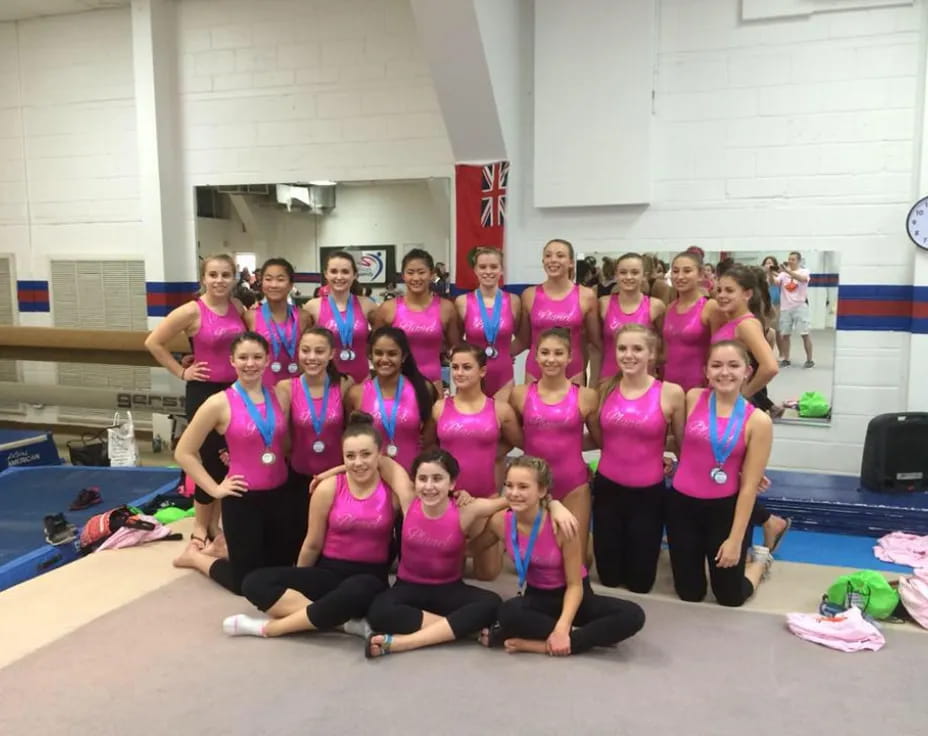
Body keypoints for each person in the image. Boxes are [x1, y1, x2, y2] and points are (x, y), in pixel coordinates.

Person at [223, 414, 398, 638]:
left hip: (369, 579)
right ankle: (343, 623)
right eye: (350, 456)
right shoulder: (328, 488)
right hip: (329, 572)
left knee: (357, 591)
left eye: (366, 454)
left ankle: (269, 628)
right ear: (342, 457)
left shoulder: (392, 492)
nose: (358, 462)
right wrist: (299, 581)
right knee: (253, 582)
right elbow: (313, 543)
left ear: (379, 455)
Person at [474, 456, 645, 655]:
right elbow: (473, 548)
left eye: (523, 487)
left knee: (633, 615)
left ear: (542, 490)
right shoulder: (499, 522)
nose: (513, 493)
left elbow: (575, 585)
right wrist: (462, 510)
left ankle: (542, 644)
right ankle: (581, 638)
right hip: (537, 597)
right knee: (508, 612)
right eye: (509, 485)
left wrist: (562, 628)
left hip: (574, 596)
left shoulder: (562, 525)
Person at [172, 332, 302, 595]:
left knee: (279, 571)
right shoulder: (218, 403)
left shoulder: (280, 396)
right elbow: (184, 452)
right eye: (243, 357)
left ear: (267, 360)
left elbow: (283, 443)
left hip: (280, 494)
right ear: (232, 360)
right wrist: (215, 489)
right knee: (245, 584)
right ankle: (196, 558)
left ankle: (225, 548)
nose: (250, 364)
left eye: (257, 357)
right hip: (242, 497)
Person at [145, 253, 246, 551]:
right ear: (203, 278)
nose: (219, 280)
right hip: (204, 392)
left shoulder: (238, 307)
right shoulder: (191, 311)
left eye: (225, 275)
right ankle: (201, 526)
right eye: (213, 275)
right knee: (211, 462)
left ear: (234, 278)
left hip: (235, 392)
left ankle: (216, 523)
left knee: (230, 461)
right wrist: (181, 371)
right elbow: (153, 342)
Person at [363, 449, 506, 658]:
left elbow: (513, 499)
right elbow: (378, 461)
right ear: (415, 482)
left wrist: (553, 505)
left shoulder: (466, 510)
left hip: (449, 590)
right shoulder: (409, 499)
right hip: (408, 588)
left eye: (437, 479)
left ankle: (403, 643)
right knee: (378, 612)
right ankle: (464, 630)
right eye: (422, 479)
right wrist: (328, 474)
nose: (429, 486)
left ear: (452, 483)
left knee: (493, 604)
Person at [665, 341, 774, 606]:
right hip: (682, 505)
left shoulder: (758, 421)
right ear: (706, 371)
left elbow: (749, 487)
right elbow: (679, 441)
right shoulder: (693, 398)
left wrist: (735, 540)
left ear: (747, 371)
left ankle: (758, 563)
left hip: (724, 510)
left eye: (733, 365)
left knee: (730, 597)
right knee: (690, 594)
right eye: (716, 365)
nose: (724, 372)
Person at [594, 325, 685, 593]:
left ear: (652, 353)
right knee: (608, 579)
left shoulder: (671, 393)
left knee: (640, 584)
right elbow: (599, 437)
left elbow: (683, 443)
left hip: (647, 494)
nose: (628, 355)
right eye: (622, 348)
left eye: (637, 349)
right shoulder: (605, 388)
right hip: (608, 489)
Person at [427, 343, 523, 580]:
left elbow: (519, 441)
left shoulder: (500, 410)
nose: (459, 373)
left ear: (482, 371)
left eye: (466, 367)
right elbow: (429, 446)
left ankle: (492, 538)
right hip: (449, 499)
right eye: (455, 367)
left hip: (485, 498)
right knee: (448, 573)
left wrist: (493, 453)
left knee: (487, 575)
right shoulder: (439, 408)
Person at [511, 328, 599, 561]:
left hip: (573, 483)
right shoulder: (519, 395)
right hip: (533, 483)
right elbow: (515, 436)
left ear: (570, 357)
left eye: (558, 353)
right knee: (539, 559)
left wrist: (571, 446)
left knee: (576, 558)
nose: (551, 359)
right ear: (536, 356)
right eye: (545, 352)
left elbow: (600, 439)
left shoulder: (586, 396)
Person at [346, 326, 437, 472]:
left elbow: (430, 441)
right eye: (378, 353)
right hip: (371, 476)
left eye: (392, 354)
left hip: (412, 475)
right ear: (370, 355)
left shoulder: (422, 389)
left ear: (404, 356)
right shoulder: (356, 394)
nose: (384, 359)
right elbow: (350, 440)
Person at [275, 326, 350, 498]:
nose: (311, 357)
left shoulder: (344, 384)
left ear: (331, 354)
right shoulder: (286, 387)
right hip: (298, 474)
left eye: (319, 351)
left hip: (337, 475)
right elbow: (280, 432)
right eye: (305, 350)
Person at [518, 239, 601, 385]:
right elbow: (523, 341)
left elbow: (595, 342)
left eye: (560, 255)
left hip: (573, 370)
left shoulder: (586, 296)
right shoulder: (529, 295)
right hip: (536, 371)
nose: (553, 260)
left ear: (571, 262)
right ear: (543, 261)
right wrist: (492, 355)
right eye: (548, 255)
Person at [375, 249, 459, 389]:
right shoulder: (387, 309)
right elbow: (374, 350)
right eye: (410, 272)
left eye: (421, 272)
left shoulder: (446, 308)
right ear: (403, 276)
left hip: (433, 384)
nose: (416, 278)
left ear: (431, 275)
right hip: (395, 386)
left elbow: (456, 349)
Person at [455, 247, 522, 400]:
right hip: (471, 377)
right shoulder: (462, 302)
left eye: (493, 266)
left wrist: (505, 353)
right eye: (483, 267)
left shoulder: (514, 301)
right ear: (475, 270)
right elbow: (456, 340)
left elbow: (523, 338)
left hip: (504, 376)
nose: (488, 271)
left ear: (502, 270)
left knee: (501, 414)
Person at [304, 251, 377, 383]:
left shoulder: (368, 305)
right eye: (333, 271)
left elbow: (379, 339)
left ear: (355, 275)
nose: (339, 277)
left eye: (345, 271)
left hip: (362, 380)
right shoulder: (312, 307)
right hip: (326, 382)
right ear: (326, 274)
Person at [599, 252, 665, 382]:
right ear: (616, 275)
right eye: (623, 272)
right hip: (609, 377)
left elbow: (662, 346)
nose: (628, 277)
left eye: (634, 272)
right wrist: (594, 379)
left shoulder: (656, 306)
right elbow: (596, 345)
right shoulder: (603, 303)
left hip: (643, 379)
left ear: (644, 275)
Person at [660, 250, 720, 392]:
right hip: (669, 384)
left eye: (687, 271)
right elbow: (666, 351)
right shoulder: (669, 308)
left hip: (699, 385)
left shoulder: (710, 307)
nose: (680, 276)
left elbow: (719, 350)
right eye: (675, 271)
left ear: (700, 274)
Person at [245, 258, 308, 386]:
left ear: (290, 285)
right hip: (260, 389)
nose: (273, 285)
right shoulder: (249, 317)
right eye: (268, 279)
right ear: (261, 282)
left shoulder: (304, 317)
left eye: (280, 279)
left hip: (297, 388)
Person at [776, 251, 813, 368]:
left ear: (798, 261)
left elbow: (802, 279)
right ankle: (786, 359)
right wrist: (769, 273)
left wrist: (787, 271)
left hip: (800, 306)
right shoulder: (782, 274)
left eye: (793, 259)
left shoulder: (804, 271)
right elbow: (776, 282)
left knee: (805, 333)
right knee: (785, 335)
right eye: (789, 259)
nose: (790, 261)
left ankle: (809, 360)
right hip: (785, 308)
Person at [762, 256, 782, 357]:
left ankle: (782, 353)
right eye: (767, 263)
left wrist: (772, 272)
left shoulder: (778, 276)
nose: (769, 265)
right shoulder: (761, 276)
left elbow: (775, 281)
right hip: (764, 305)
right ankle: (767, 352)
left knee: (777, 330)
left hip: (776, 304)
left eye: (771, 263)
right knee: (766, 329)